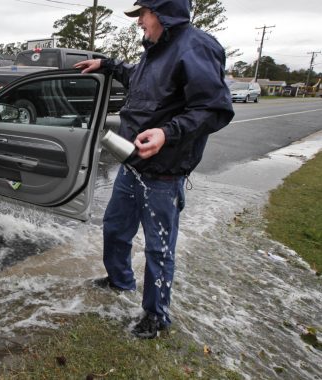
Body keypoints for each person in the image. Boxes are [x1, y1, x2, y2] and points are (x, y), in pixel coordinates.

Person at [74, 0, 234, 339]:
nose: (139, 24)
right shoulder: (154, 52)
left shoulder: (197, 47)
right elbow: (136, 77)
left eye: (143, 15)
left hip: (164, 173)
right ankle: (119, 280)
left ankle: (156, 316)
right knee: (115, 229)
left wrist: (167, 132)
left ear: (163, 13)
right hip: (133, 166)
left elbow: (214, 108)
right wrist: (107, 63)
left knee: (159, 249)